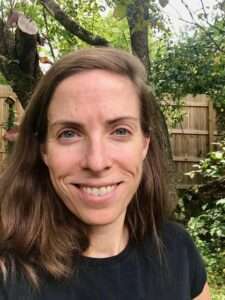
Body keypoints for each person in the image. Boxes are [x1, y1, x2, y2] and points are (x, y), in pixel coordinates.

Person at [0, 47, 210, 300]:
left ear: (144, 144)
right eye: (69, 133)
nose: (97, 162)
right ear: (44, 150)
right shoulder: (7, 275)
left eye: (120, 131)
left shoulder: (178, 251)